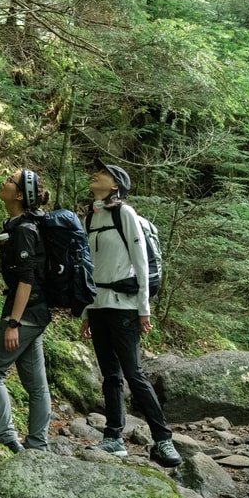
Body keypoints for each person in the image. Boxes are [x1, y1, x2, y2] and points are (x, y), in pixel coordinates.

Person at [81, 159, 182, 467]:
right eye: (96, 170)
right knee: (110, 375)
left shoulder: (126, 213)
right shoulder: (91, 217)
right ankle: (114, 438)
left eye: (103, 173)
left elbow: (140, 261)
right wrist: (86, 311)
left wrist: (144, 308)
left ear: (115, 185)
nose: (95, 174)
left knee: (134, 374)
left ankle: (163, 440)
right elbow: (89, 267)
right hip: (98, 306)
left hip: (125, 307)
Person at [0, 169, 52, 453]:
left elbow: (26, 279)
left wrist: (13, 323)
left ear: (20, 195)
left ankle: (7, 439)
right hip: (36, 314)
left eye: (10, 180)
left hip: (25, 314)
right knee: (36, 384)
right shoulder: (19, 224)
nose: (4, 181)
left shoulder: (24, 230)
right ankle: (37, 445)